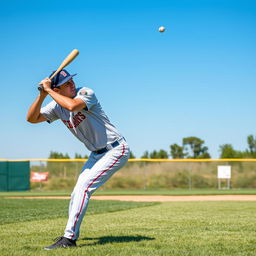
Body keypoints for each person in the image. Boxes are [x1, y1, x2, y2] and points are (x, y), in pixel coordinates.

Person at [26, 69, 130, 250]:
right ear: (58, 90)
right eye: (67, 83)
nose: (72, 84)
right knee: (77, 192)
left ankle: (69, 238)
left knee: (84, 188)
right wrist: (43, 95)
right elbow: (31, 119)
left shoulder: (85, 92)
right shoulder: (56, 106)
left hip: (115, 149)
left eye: (71, 80)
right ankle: (69, 236)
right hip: (96, 154)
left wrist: (50, 90)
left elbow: (72, 107)